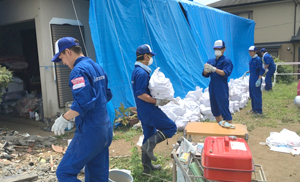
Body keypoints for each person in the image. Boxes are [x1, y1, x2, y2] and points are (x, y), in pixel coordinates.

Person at [51, 37, 113, 182]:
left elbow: (84, 102)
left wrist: (64, 118)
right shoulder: (96, 66)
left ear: (68, 51)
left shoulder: (78, 71)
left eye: (62, 59)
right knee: (97, 176)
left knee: (64, 173)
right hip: (105, 129)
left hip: (90, 132)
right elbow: (107, 94)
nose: (64, 63)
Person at [131, 44, 177, 174]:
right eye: (150, 56)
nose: (151, 58)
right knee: (171, 127)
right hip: (149, 109)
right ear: (146, 56)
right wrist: (157, 101)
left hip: (143, 110)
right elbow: (141, 94)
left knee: (149, 135)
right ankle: (148, 146)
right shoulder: (141, 73)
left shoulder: (137, 70)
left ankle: (147, 168)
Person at [202, 40, 234, 128]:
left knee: (224, 108)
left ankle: (230, 129)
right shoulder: (211, 61)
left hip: (221, 87)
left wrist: (214, 69)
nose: (217, 50)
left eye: (219, 49)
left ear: (224, 49)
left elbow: (226, 73)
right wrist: (206, 70)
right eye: (215, 49)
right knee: (215, 109)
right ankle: (221, 127)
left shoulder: (226, 61)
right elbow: (205, 75)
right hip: (212, 86)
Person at [243, 46, 265, 114]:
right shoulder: (251, 59)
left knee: (256, 94)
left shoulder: (258, 59)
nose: (250, 53)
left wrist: (259, 79)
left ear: (255, 51)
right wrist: (248, 71)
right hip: (251, 78)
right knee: (252, 94)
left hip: (256, 78)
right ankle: (254, 109)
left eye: (251, 51)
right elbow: (254, 68)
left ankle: (258, 110)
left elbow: (261, 70)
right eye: (249, 51)